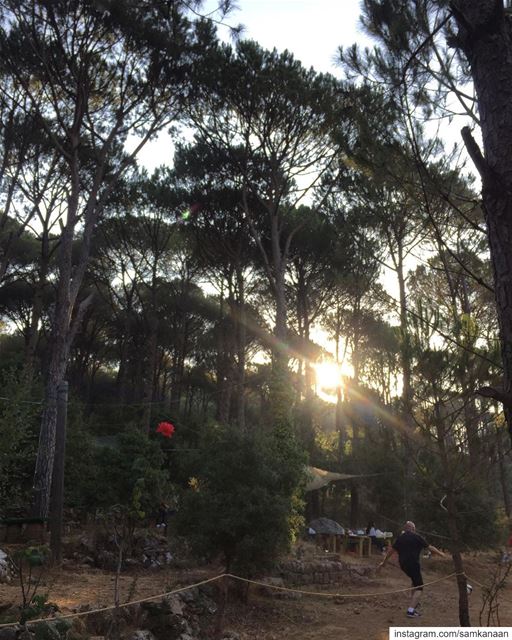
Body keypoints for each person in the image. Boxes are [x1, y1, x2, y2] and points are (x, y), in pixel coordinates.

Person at [378, 521, 446, 618]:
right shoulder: (417, 537)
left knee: (414, 581)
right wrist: (441, 554)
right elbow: (430, 547)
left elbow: (391, 551)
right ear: (413, 529)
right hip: (413, 564)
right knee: (419, 587)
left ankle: (414, 602)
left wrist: (383, 562)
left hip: (403, 565)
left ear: (405, 529)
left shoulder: (400, 538)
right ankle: (411, 611)